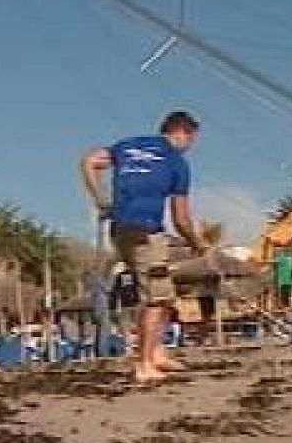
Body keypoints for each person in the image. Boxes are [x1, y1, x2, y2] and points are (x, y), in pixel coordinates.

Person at [81, 110, 207, 382]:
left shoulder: (129, 146)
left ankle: (157, 352)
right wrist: (197, 243)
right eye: (191, 140)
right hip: (147, 232)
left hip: (120, 231)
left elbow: (88, 161)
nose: (190, 146)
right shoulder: (176, 163)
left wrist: (100, 198)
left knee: (163, 292)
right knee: (156, 298)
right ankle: (144, 364)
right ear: (182, 132)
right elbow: (181, 219)